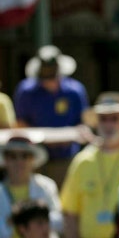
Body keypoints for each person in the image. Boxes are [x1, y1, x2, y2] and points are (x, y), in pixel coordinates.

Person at [60, 92, 119, 238]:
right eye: (103, 119)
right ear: (97, 123)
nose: (108, 124)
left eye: (114, 118)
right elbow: (70, 213)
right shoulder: (82, 161)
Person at [12, 45, 90, 185]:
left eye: (52, 75)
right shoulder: (25, 92)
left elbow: (83, 123)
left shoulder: (75, 91)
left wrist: (70, 136)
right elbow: (20, 123)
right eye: (45, 76)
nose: (49, 81)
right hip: (35, 159)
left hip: (67, 158)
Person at [0, 134, 62, 238]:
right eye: (12, 156)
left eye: (25, 156)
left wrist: (34, 220)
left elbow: (60, 221)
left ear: (33, 159)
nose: (19, 161)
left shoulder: (46, 186)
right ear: (5, 160)